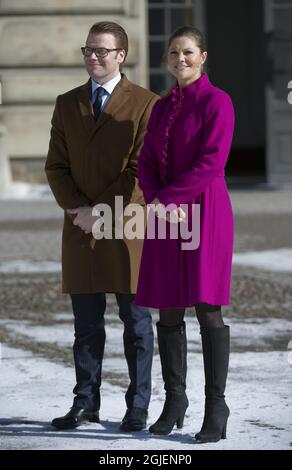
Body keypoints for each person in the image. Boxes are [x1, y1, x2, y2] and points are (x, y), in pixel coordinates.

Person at [45, 21, 159, 431]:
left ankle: (138, 405)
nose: (93, 57)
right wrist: (80, 209)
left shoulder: (146, 103)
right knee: (86, 327)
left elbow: (141, 170)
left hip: (127, 229)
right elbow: (55, 166)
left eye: (102, 51)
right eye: (88, 50)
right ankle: (85, 402)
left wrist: (100, 211)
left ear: (121, 55)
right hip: (80, 229)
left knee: (137, 325)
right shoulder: (66, 103)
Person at [135, 26, 235, 443]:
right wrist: (158, 201)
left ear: (203, 56)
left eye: (188, 52)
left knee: (206, 307)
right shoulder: (161, 107)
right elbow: (145, 162)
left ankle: (217, 405)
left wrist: (169, 200)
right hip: (166, 214)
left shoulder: (218, 102)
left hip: (205, 211)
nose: (180, 58)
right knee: (168, 309)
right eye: (174, 52)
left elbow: (212, 160)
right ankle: (175, 399)